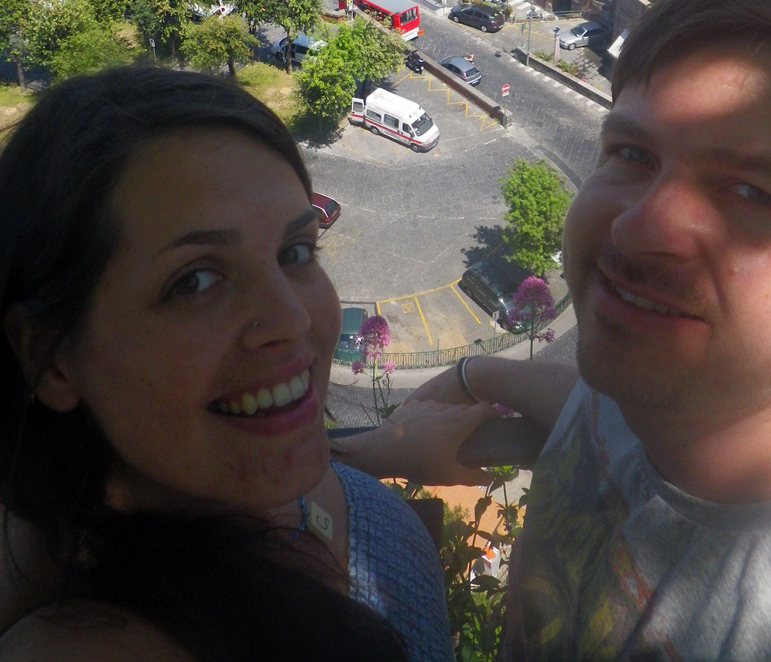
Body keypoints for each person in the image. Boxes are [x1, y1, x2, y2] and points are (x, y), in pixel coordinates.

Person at [407, 0, 771, 660]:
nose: (637, 229)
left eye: (750, 193)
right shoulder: (688, 380)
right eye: (633, 153)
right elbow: (603, 417)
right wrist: (478, 377)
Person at [0, 68, 466, 662]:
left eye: (295, 252)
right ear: (52, 360)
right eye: (195, 281)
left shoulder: (239, 483)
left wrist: (377, 447)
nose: (292, 318)